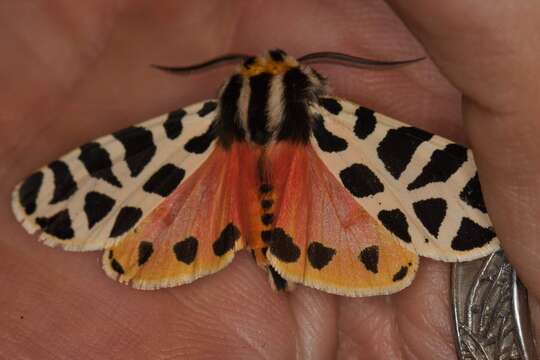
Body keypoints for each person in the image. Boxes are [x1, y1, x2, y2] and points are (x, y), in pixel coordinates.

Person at [0, 1, 538, 358]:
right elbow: (462, 204)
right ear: (311, 87)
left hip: (208, 194)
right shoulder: (339, 121)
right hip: (331, 216)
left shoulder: (194, 126)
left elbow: (62, 200)